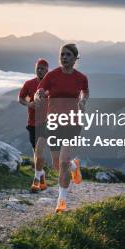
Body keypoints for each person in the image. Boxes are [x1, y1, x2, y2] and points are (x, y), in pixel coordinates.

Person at [34, 43, 89, 212]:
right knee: (58, 165)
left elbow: (85, 91)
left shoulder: (81, 77)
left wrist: (83, 100)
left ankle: (61, 202)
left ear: (75, 58)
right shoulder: (52, 76)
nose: (64, 57)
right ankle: (75, 166)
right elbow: (40, 90)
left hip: (72, 123)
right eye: (62, 54)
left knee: (63, 162)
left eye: (68, 55)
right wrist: (38, 95)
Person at [18, 58, 53, 192]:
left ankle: (36, 180)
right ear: (35, 69)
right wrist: (29, 104)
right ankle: (42, 174)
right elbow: (20, 98)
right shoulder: (29, 84)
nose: (40, 70)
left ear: (47, 70)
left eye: (42, 68)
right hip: (32, 123)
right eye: (38, 68)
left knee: (39, 151)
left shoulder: (51, 87)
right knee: (35, 152)